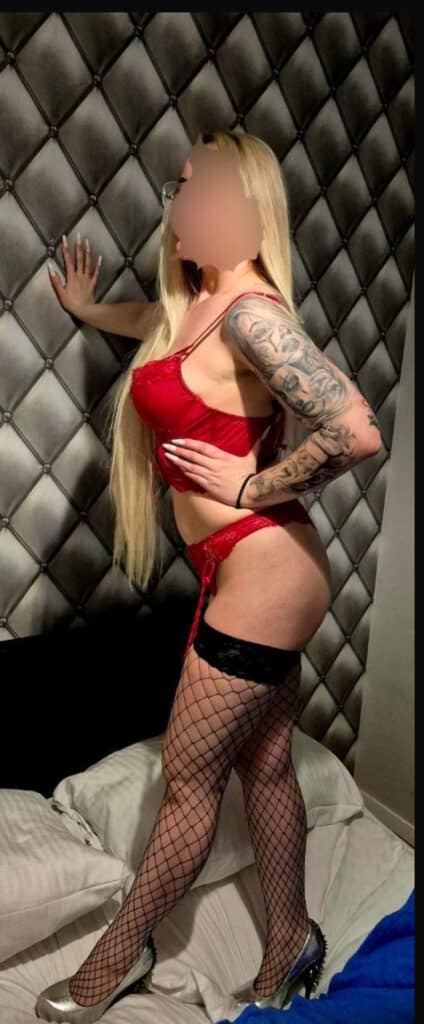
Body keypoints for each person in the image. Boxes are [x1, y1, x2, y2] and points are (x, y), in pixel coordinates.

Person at [36, 130, 382, 1023]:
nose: (177, 205)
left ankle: (117, 959)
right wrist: (90, 312)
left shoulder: (251, 316)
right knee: (264, 766)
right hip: (243, 568)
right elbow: (154, 331)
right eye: (177, 186)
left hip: (268, 566)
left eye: (197, 189)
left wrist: (250, 484)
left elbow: (357, 429)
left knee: (189, 785)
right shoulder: (197, 300)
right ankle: (289, 940)